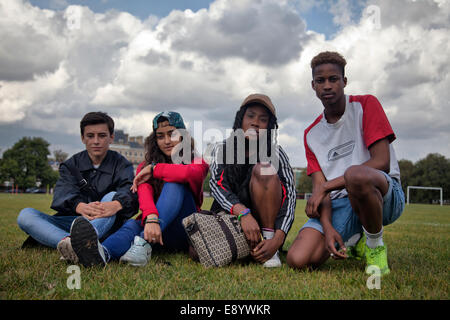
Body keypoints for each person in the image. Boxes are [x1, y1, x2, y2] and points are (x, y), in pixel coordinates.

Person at [286, 51, 405, 276]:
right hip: (340, 204)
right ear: (313, 86)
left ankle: (374, 246)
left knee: (356, 175)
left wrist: (327, 187)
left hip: (385, 194)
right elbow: (320, 190)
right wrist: (328, 227)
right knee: (298, 259)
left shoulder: (365, 105)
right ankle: (355, 236)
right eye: (320, 81)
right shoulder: (311, 134)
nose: (327, 86)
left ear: (344, 82)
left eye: (334, 79)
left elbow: (382, 162)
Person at [67, 111, 209, 267]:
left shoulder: (196, 161)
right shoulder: (145, 166)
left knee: (175, 182)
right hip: (153, 230)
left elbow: (189, 173)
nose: (167, 141)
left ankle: (141, 244)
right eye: (160, 136)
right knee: (133, 225)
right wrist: (151, 218)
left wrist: (154, 170)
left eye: (172, 134)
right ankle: (101, 253)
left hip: (183, 229)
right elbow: (144, 194)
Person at [17, 112, 138, 262]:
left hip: (108, 223)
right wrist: (79, 206)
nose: (96, 141)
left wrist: (116, 204)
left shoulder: (122, 164)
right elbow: (63, 193)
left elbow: (130, 190)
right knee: (26, 215)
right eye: (90, 136)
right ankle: (74, 244)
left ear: (111, 137)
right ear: (82, 138)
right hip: (73, 221)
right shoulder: (70, 165)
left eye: (102, 135)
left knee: (112, 196)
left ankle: (82, 241)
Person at [209, 94, 296, 268]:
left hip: (265, 223)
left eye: (263, 120)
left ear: (269, 127)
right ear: (241, 119)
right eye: (250, 116)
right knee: (195, 252)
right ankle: (249, 247)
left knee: (263, 169)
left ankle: (269, 247)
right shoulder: (221, 148)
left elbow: (290, 195)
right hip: (233, 217)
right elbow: (216, 186)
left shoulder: (276, 152)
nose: (255, 122)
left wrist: (278, 240)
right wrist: (243, 213)